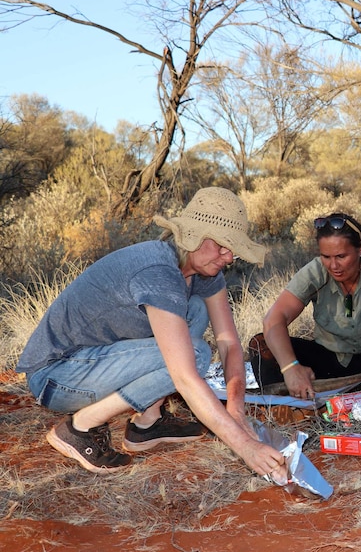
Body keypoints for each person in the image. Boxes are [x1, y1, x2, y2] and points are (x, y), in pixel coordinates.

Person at [17, 187, 288, 478]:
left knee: (194, 309)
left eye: (232, 249)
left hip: (95, 363)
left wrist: (235, 409)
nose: (229, 256)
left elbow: (229, 343)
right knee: (195, 354)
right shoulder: (158, 272)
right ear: (192, 235)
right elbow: (184, 376)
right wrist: (246, 447)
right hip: (56, 377)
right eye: (222, 245)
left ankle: (148, 421)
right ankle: (81, 425)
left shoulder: (200, 271)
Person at [255, 213, 361, 399]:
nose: (333, 265)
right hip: (330, 361)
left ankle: (319, 396)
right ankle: (296, 403)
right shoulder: (315, 271)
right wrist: (290, 367)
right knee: (261, 347)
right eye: (326, 256)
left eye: (341, 256)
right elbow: (274, 319)